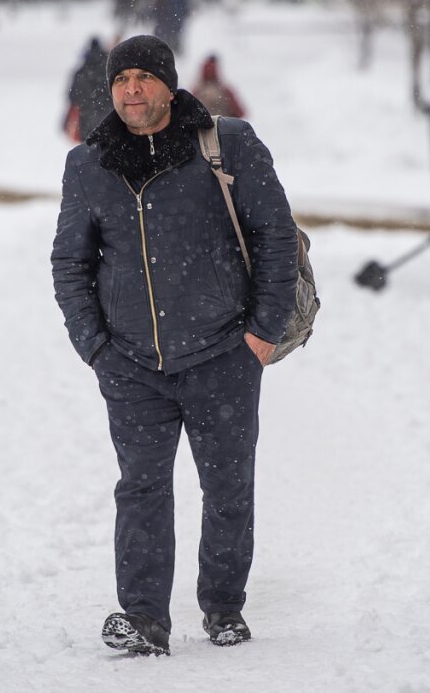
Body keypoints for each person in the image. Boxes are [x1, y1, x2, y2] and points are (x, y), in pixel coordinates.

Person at [51, 35, 299, 656]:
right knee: (140, 488)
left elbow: (275, 238)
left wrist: (261, 335)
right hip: (131, 364)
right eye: (121, 80)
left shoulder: (226, 143)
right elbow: (69, 263)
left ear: (168, 83)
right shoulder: (90, 163)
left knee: (227, 487)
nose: (131, 90)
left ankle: (222, 606)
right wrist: (95, 348)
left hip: (224, 355)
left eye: (143, 77)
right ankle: (144, 619)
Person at [64, 37, 111, 143]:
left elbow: (72, 96)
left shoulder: (81, 72)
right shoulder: (108, 71)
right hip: (107, 119)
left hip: (85, 118)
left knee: (87, 152)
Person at [191, 54, 246, 119]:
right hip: (222, 127)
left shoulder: (196, 91)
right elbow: (240, 112)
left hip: (202, 128)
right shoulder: (224, 90)